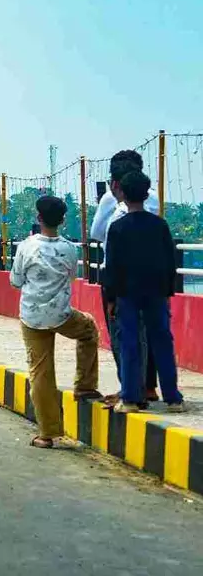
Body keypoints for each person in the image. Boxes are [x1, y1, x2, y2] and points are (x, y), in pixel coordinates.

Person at [10, 196, 103, 447]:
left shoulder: (26, 247)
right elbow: (72, 277)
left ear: (38, 218)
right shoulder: (69, 248)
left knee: (40, 372)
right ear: (62, 220)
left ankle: (47, 433)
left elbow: (16, 281)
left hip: (31, 317)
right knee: (89, 330)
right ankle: (85, 385)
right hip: (61, 315)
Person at [101, 170, 184, 413]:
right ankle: (173, 397)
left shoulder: (117, 228)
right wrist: (168, 291)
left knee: (130, 342)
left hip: (127, 293)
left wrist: (112, 298)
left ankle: (129, 398)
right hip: (156, 292)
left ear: (122, 194)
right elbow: (170, 261)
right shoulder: (159, 225)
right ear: (146, 194)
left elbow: (112, 266)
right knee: (162, 341)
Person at [90, 149, 163, 403]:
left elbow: (98, 233)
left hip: (118, 278)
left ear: (115, 182)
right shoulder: (152, 199)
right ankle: (146, 387)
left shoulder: (112, 202)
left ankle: (131, 390)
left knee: (122, 335)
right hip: (150, 277)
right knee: (145, 333)